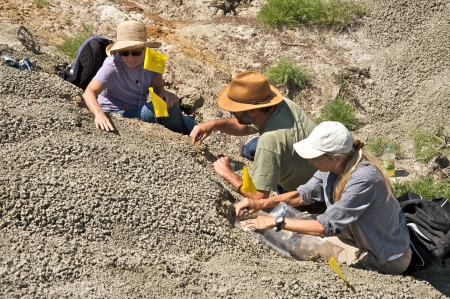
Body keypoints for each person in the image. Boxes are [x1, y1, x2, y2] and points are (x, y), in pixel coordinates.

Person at [236, 121, 412, 275]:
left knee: (298, 242)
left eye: (315, 156)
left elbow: (324, 227)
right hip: (354, 235)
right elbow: (302, 195)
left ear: (336, 158)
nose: (310, 161)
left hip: (383, 255)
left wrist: (276, 222)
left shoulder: (363, 179)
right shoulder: (334, 168)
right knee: (291, 228)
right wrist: (261, 203)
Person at [190, 70, 318, 201]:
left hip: (307, 197)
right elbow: (246, 124)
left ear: (251, 110)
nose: (230, 110)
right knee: (252, 148)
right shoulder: (280, 104)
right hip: (311, 166)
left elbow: (259, 197)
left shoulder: (269, 141)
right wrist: (214, 124)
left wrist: (226, 172)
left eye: (235, 110)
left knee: (261, 149)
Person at [82, 20, 194, 135]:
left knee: (190, 121)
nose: (130, 58)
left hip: (138, 108)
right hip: (117, 112)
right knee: (171, 111)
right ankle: (189, 138)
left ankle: (191, 129)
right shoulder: (112, 65)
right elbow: (89, 92)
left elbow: (158, 87)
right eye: (124, 53)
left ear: (144, 49)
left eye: (135, 52)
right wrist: (99, 113)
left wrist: (163, 92)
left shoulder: (154, 60)